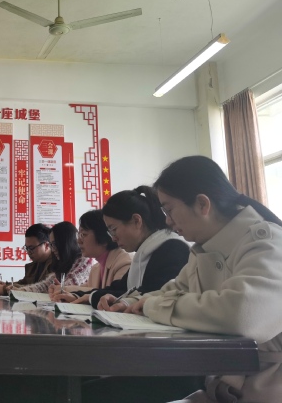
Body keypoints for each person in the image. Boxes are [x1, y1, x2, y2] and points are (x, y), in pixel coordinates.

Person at [115, 156, 282, 402]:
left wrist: (153, 306)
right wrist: (131, 303)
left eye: (169, 210)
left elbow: (242, 314)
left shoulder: (266, 242)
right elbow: (175, 288)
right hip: (222, 384)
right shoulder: (204, 248)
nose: (167, 221)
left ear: (202, 204)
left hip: (266, 388)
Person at [88, 186, 190, 309]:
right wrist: (87, 296)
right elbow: (123, 288)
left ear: (137, 221)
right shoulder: (145, 251)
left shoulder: (172, 249)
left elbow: (154, 293)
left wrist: (93, 297)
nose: (113, 238)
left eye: (113, 229)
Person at [50, 210, 131, 302]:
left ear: (104, 237)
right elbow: (87, 289)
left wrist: (66, 290)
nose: (78, 241)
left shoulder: (123, 263)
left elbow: (116, 296)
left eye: (84, 234)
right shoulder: (96, 268)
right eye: (79, 235)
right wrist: (63, 289)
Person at [12, 221, 92, 294]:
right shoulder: (62, 262)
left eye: (54, 244)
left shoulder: (85, 261)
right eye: (51, 245)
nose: (53, 249)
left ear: (66, 242)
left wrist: (58, 288)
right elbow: (45, 285)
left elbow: (67, 286)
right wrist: (21, 290)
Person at [0, 223, 53, 296]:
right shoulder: (35, 264)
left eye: (31, 248)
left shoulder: (56, 264)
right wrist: (7, 284)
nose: (28, 252)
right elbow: (25, 283)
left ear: (46, 245)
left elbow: (41, 289)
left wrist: (5, 289)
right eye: (26, 248)